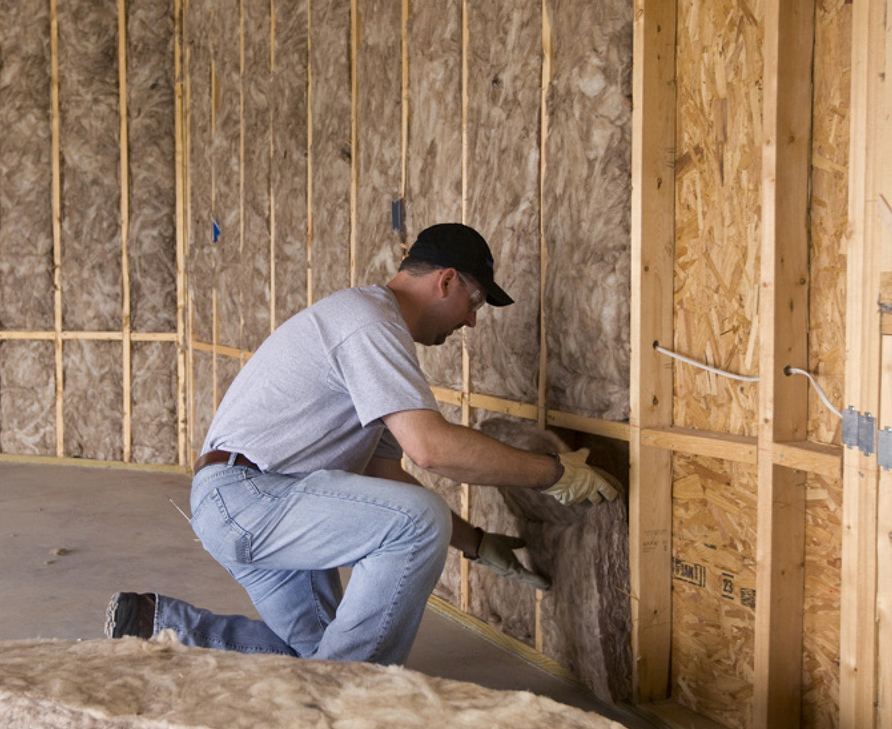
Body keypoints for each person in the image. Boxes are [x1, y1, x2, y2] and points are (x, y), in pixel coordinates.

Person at [106, 223, 618, 666]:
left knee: (320, 653)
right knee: (417, 523)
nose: (471, 321)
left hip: (249, 502)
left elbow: (383, 472)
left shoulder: (369, 327)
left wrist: (477, 543)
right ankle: (353, 697)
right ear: (446, 282)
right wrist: (556, 474)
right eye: (475, 301)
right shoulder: (370, 321)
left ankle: (161, 625)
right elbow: (431, 449)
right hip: (252, 498)